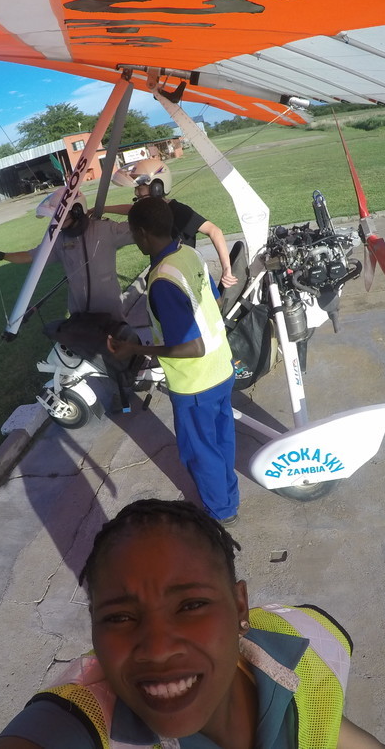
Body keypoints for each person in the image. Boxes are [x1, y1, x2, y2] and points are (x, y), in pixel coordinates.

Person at [0, 498, 385, 748]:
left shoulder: (308, 643)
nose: (158, 648)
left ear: (239, 608)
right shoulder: (79, 724)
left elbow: (328, 729)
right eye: (120, 617)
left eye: (191, 605)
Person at [106, 197, 240, 525]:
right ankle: (228, 498)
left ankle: (220, 514)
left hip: (196, 383)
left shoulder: (162, 281)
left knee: (200, 452)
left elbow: (191, 347)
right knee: (222, 440)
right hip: (222, 367)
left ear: (141, 234)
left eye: (133, 234)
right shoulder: (189, 253)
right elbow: (213, 299)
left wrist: (135, 351)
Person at [0, 189, 135, 322]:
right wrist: (1, 255)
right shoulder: (59, 239)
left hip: (110, 312)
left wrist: (106, 208)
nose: (56, 221)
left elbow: (141, 224)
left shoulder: (106, 229)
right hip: (79, 314)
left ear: (77, 210)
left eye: (60, 216)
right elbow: (31, 256)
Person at [108, 159, 238, 290]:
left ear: (156, 188)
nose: (136, 193)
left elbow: (214, 231)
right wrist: (103, 209)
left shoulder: (179, 211)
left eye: (139, 188)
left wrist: (227, 269)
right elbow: (131, 209)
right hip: (163, 274)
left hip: (183, 278)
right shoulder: (150, 210)